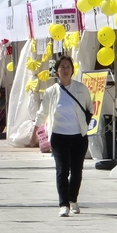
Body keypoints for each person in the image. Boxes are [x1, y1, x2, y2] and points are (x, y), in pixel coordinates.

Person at [29, 56, 93, 217]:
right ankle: (63, 203)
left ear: (72, 70)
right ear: (56, 71)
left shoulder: (81, 89)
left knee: (77, 170)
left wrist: (84, 125)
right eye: (62, 67)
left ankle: (73, 200)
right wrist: (33, 134)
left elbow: (89, 108)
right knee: (62, 170)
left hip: (79, 136)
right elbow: (42, 113)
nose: (65, 70)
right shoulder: (51, 92)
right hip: (59, 137)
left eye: (68, 67)